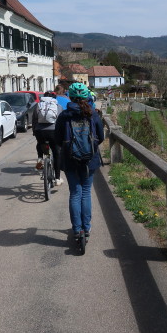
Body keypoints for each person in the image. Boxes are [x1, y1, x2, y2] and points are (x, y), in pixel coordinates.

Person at [55, 83, 104, 243]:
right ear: (86, 97)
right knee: (86, 192)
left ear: (71, 97)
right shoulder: (93, 114)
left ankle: (77, 229)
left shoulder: (64, 116)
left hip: (70, 160)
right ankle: (86, 227)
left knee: (75, 193)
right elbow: (101, 137)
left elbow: (57, 139)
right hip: (89, 160)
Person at [33, 91, 64, 186]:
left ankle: (40, 158)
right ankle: (58, 178)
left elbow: (34, 119)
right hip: (53, 132)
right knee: (56, 152)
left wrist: (35, 132)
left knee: (40, 143)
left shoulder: (38, 105)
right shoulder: (58, 106)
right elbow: (61, 122)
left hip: (40, 131)